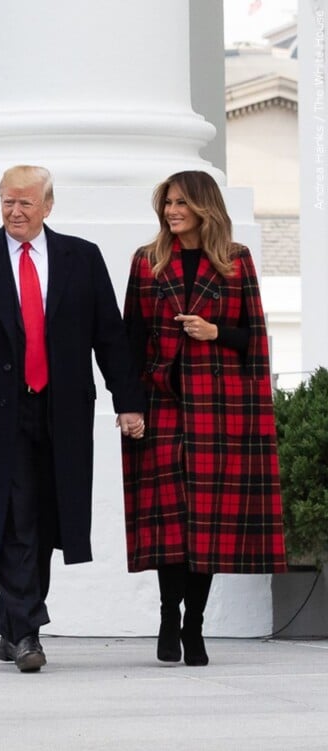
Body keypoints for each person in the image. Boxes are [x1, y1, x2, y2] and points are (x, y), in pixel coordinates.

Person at [0, 165, 146, 673]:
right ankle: (28, 631)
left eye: (26, 203)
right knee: (13, 518)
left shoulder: (82, 258)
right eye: (7, 201)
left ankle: (10, 625)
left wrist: (128, 401)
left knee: (47, 520)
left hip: (62, 411)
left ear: (49, 206)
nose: (16, 212)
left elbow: (109, 338)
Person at [121, 170, 286, 666]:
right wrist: (127, 405)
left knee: (206, 524)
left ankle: (194, 626)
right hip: (162, 402)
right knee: (170, 521)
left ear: (204, 207)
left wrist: (215, 332)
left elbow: (253, 337)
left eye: (181, 204)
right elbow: (129, 338)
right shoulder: (147, 262)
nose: (172, 211)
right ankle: (169, 616)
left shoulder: (236, 261)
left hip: (220, 407)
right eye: (167, 203)